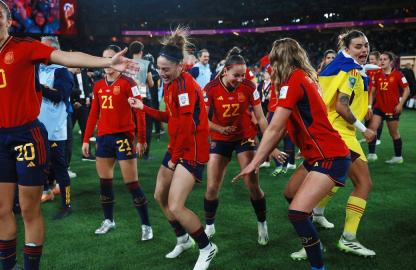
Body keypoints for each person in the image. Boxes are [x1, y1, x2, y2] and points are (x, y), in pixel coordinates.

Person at [0, 1, 139, 269]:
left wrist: (105, 62)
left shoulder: (24, 47)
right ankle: (9, 267)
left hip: (28, 136)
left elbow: (66, 57)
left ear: (9, 22)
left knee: (29, 208)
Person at [234, 37, 352, 270]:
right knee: (291, 194)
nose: (270, 69)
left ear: (280, 60)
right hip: (317, 154)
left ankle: (317, 263)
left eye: (272, 63)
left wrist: (254, 162)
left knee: (297, 212)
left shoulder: (292, 81)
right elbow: (282, 128)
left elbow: (276, 127)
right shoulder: (302, 77)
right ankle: (313, 244)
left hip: (330, 156)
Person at [128, 26, 217, 270]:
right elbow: (169, 117)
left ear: (180, 66)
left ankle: (206, 247)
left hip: (192, 150)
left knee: (176, 205)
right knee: (160, 195)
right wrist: (142, 107)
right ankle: (182, 239)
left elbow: (188, 126)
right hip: (177, 145)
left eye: (166, 69)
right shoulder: (170, 84)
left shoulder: (186, 85)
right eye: (159, 68)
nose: (162, 73)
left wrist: (174, 158)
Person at [202, 47, 283, 245]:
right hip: (220, 138)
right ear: (224, 71)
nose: (240, 79)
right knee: (212, 187)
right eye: (235, 75)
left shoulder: (249, 86)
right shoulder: (210, 88)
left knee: (253, 187)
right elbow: (202, 120)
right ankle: (209, 226)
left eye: (243, 74)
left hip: (245, 137)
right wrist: (219, 129)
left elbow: (262, 118)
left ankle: (262, 224)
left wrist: (270, 145)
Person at [82, 45, 153, 241]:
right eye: (105, 58)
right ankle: (108, 221)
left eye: (111, 57)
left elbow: (139, 111)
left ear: (120, 60)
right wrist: (86, 139)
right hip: (103, 139)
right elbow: (93, 114)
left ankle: (146, 225)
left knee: (132, 184)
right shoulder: (97, 85)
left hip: (124, 138)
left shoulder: (129, 82)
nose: (108, 62)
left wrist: (142, 139)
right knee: (105, 183)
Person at [316, 30, 376, 258]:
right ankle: (349, 238)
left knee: (337, 177)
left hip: (331, 131)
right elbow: (342, 106)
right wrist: (365, 129)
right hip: (342, 134)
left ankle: (316, 211)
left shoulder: (337, 66)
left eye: (366, 45)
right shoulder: (350, 70)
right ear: (347, 48)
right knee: (364, 183)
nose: (364, 50)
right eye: (358, 46)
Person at [37, 36, 74, 219]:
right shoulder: (37, 68)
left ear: (54, 51)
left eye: (43, 48)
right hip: (36, 127)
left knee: (59, 166)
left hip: (54, 129)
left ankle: (66, 204)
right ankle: (47, 189)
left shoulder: (62, 72)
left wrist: (37, 87)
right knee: (39, 163)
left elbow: (59, 95)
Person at [366, 52, 410, 164]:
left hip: (392, 109)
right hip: (378, 109)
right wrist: (370, 106)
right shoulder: (377, 76)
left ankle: (398, 157)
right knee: (371, 129)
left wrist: (400, 105)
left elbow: (407, 90)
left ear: (391, 61)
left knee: (393, 133)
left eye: (385, 59)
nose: (382, 61)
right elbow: (372, 93)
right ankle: (371, 154)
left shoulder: (398, 75)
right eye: (381, 59)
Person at [128, 41, 155, 161]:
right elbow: (151, 83)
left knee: (130, 127)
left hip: (129, 99)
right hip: (143, 98)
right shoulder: (147, 63)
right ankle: (145, 154)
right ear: (141, 51)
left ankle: (128, 152)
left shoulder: (127, 63)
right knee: (146, 126)